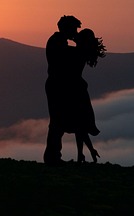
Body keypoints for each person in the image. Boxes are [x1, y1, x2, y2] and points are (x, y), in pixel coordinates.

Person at [43, 15, 81, 165]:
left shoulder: (57, 41)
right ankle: (52, 157)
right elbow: (69, 59)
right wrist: (80, 46)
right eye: (74, 29)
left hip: (56, 84)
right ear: (67, 28)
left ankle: (53, 156)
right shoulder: (57, 42)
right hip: (56, 85)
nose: (75, 33)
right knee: (57, 121)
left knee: (57, 121)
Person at [70, 28, 106, 163]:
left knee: (78, 123)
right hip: (79, 89)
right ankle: (85, 152)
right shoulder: (83, 52)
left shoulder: (77, 52)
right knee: (81, 124)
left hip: (74, 90)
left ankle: (82, 153)